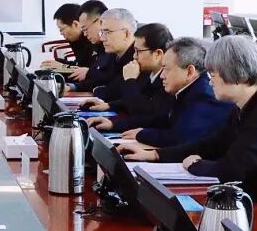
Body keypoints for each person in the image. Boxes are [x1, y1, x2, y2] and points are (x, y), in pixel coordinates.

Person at [119, 35, 257, 208]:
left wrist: (195, 165)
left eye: (213, 74)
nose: (209, 80)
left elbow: (233, 170)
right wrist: (155, 155)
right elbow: (211, 144)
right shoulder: (247, 104)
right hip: (248, 198)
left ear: (236, 73)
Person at [98, 36, 233, 147]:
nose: (162, 75)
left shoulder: (204, 95)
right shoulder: (184, 89)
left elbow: (181, 137)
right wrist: (114, 124)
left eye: (167, 69)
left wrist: (143, 135)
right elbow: (160, 118)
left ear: (189, 71)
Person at [82, 23, 175, 121]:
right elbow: (141, 101)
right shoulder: (149, 73)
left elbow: (140, 111)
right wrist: (109, 105)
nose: (134, 56)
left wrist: (130, 80)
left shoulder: (168, 80)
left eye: (138, 51)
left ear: (157, 54)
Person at [74, 7, 137, 97]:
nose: (102, 38)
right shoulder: (113, 55)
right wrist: (73, 87)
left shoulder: (137, 58)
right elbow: (102, 80)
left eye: (107, 32)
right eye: (102, 32)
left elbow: (116, 93)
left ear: (126, 34)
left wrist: (98, 90)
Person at [40, 3, 96, 70]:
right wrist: (57, 62)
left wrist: (63, 66)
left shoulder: (92, 39)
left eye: (62, 29)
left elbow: (89, 71)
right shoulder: (75, 40)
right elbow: (79, 64)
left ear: (75, 24)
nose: (61, 33)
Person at [66, 0, 108, 86]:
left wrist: (89, 73)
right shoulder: (99, 44)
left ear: (100, 21)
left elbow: (111, 79)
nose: (85, 34)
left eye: (85, 29)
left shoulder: (113, 46)